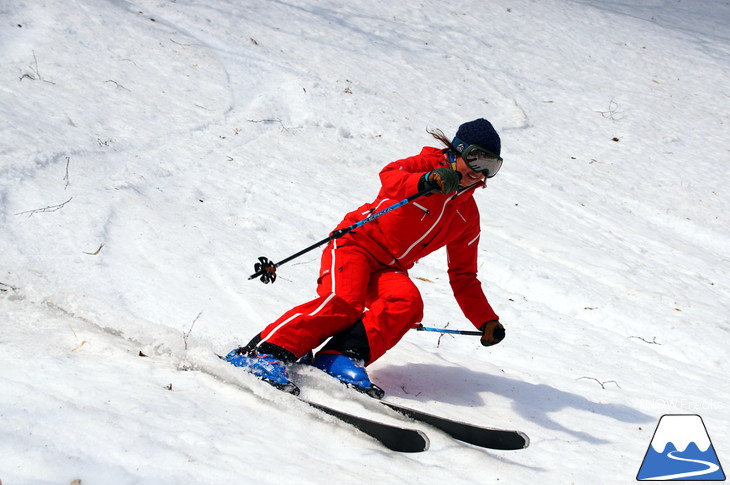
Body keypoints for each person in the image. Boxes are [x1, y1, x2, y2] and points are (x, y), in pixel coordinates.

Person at [225, 118, 506, 398]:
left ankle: (339, 357)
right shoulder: (424, 166)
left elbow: (463, 275)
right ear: (457, 150)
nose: (480, 172)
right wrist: (426, 180)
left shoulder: (466, 217)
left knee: (407, 303)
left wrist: (485, 320)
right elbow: (390, 177)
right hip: (355, 244)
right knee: (345, 302)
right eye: (476, 159)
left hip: (390, 267)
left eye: (491, 166)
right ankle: (262, 353)